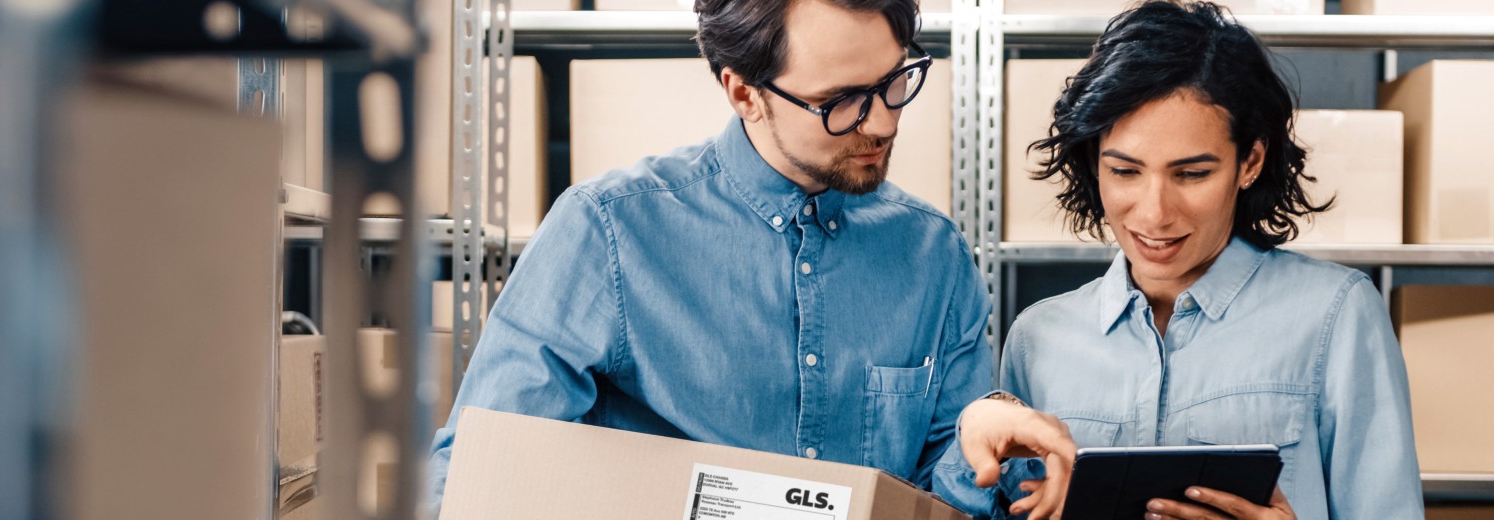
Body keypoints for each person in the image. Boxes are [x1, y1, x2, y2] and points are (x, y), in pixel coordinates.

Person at [424, 0, 1079, 517]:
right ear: (744, 93)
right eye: (841, 101)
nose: (881, 122)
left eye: (894, 81)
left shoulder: (931, 253)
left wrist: (979, 439)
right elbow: (475, 478)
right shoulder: (610, 232)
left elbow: (942, 494)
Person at [998, 2, 1424, 518]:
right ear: (1094, 162)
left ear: (1250, 162)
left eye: (1192, 174)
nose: (1154, 214)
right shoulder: (1036, 339)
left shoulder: (1336, 316)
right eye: (1126, 172)